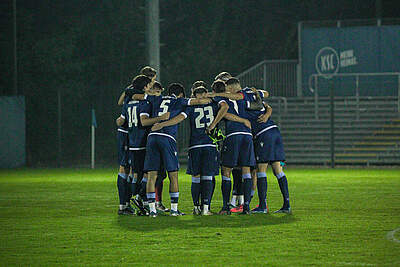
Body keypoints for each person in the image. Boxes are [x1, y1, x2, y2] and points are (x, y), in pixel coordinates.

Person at [133, 83, 211, 217]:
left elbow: (136, 95)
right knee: (173, 175)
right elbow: (200, 101)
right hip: (167, 137)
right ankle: (174, 209)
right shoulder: (179, 100)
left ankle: (152, 210)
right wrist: (209, 96)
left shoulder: (157, 98)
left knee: (152, 175)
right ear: (181, 94)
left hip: (152, 137)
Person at [152, 85, 229, 215]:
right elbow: (225, 107)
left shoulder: (190, 106)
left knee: (196, 177)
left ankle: (196, 207)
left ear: (193, 95)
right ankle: (205, 209)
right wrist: (214, 124)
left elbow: (179, 118)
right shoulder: (214, 103)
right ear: (205, 93)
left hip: (194, 145)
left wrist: (162, 124)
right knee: (208, 177)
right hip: (209, 144)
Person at [116, 75, 168, 215]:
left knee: (137, 173)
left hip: (131, 142)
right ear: (145, 86)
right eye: (150, 84)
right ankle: (139, 198)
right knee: (149, 173)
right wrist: (161, 119)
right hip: (142, 142)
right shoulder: (144, 102)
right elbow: (144, 122)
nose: (151, 87)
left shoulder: (129, 101)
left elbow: (120, 120)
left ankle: (133, 202)